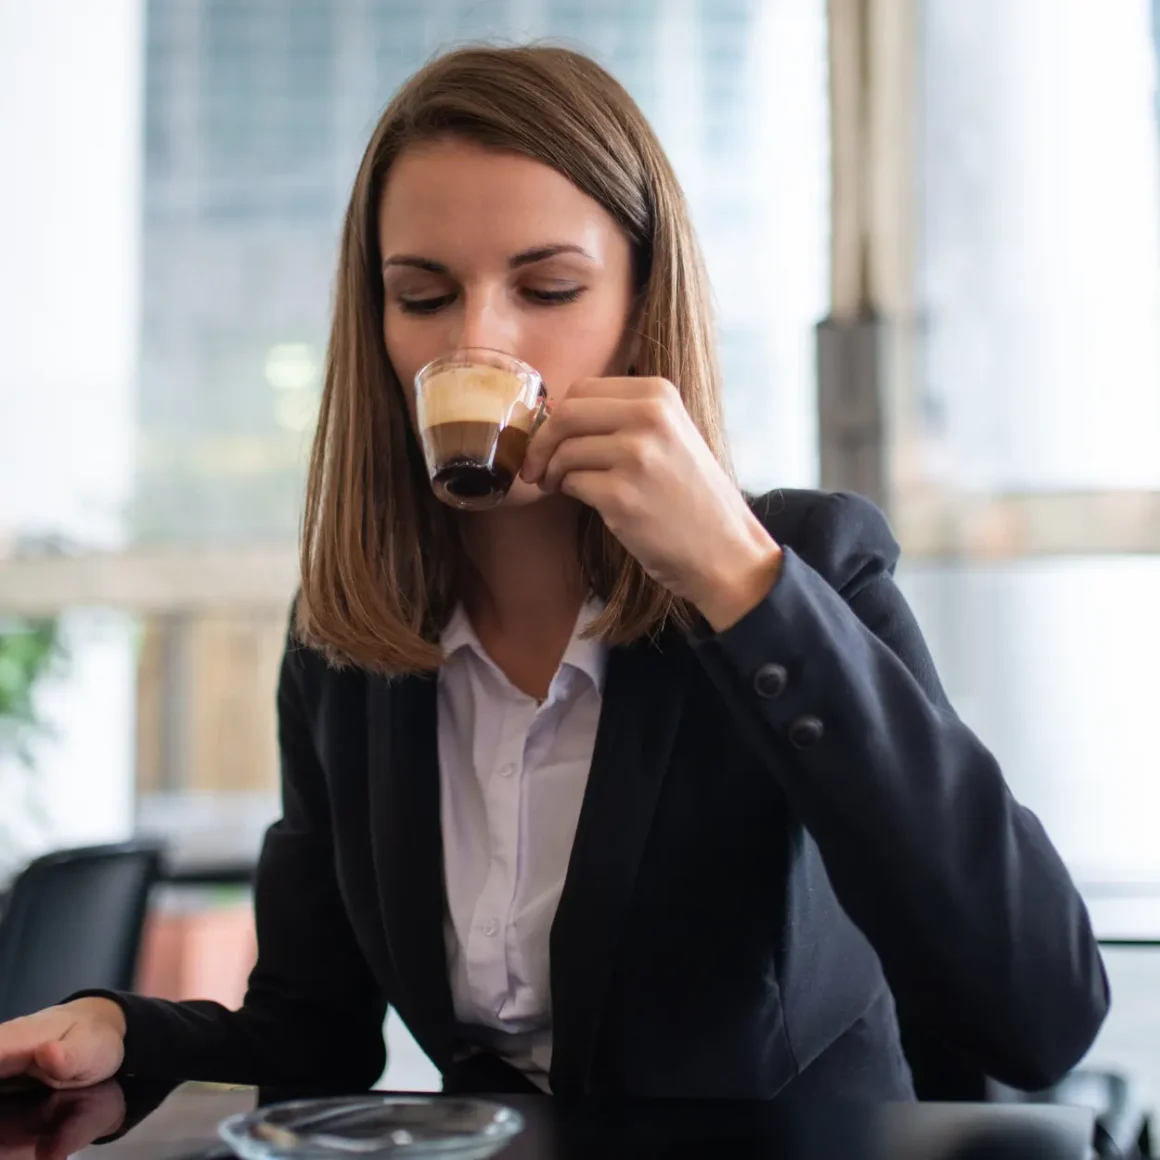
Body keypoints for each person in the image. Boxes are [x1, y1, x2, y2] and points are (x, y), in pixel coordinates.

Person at [0, 44, 1106, 1103]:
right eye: (423, 297)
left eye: (549, 287)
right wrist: (122, 1028)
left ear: (638, 310)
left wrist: (737, 580)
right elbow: (313, 1032)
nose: (476, 341)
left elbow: (1038, 1010)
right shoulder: (350, 642)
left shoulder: (796, 570)